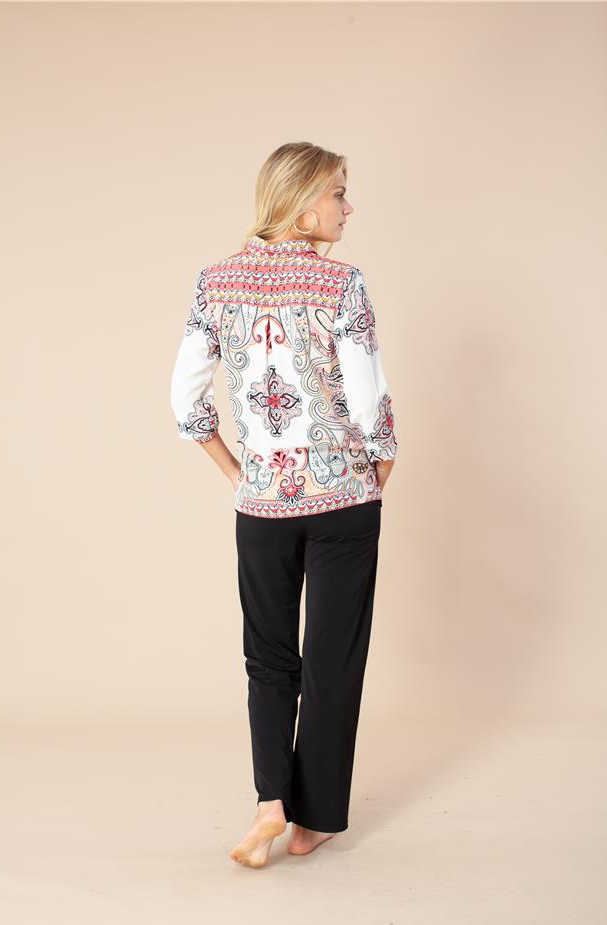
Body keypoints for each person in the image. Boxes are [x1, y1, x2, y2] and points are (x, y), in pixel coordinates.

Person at [170, 142, 398, 868]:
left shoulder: (215, 283)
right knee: (334, 660)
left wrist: (240, 474)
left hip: (262, 502)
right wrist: (379, 465)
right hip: (343, 498)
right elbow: (368, 398)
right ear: (302, 206)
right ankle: (313, 821)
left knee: (268, 657)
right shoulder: (342, 284)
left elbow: (184, 399)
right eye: (337, 193)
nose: (348, 207)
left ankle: (270, 801)